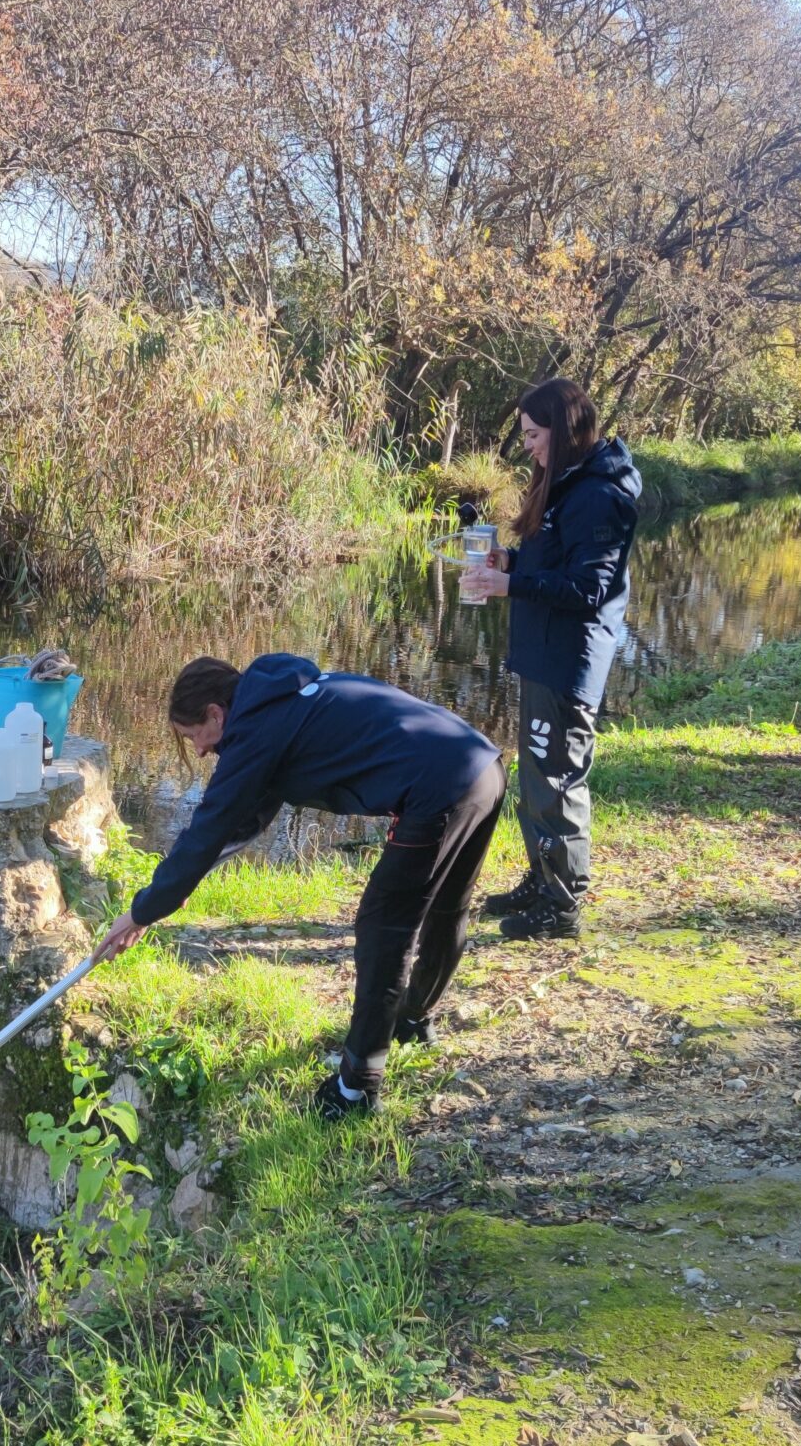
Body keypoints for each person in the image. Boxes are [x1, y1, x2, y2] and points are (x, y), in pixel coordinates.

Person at [94, 653, 506, 1120]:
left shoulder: (253, 732)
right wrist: (166, 897)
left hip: (440, 790)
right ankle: (413, 1021)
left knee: (385, 927)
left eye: (195, 737)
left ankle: (357, 1088)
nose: (202, 751)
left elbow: (208, 827)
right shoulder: (280, 703)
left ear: (215, 713)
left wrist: (141, 911)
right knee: (447, 907)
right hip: (483, 765)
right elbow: (241, 822)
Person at [460, 377, 640, 940]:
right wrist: (508, 563)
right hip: (541, 654)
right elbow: (554, 564)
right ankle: (542, 877)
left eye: (535, 435)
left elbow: (589, 589)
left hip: (569, 661)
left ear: (563, 431)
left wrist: (507, 587)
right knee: (537, 773)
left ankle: (562, 905)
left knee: (558, 777)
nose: (529, 447)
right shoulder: (565, 483)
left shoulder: (599, 495)